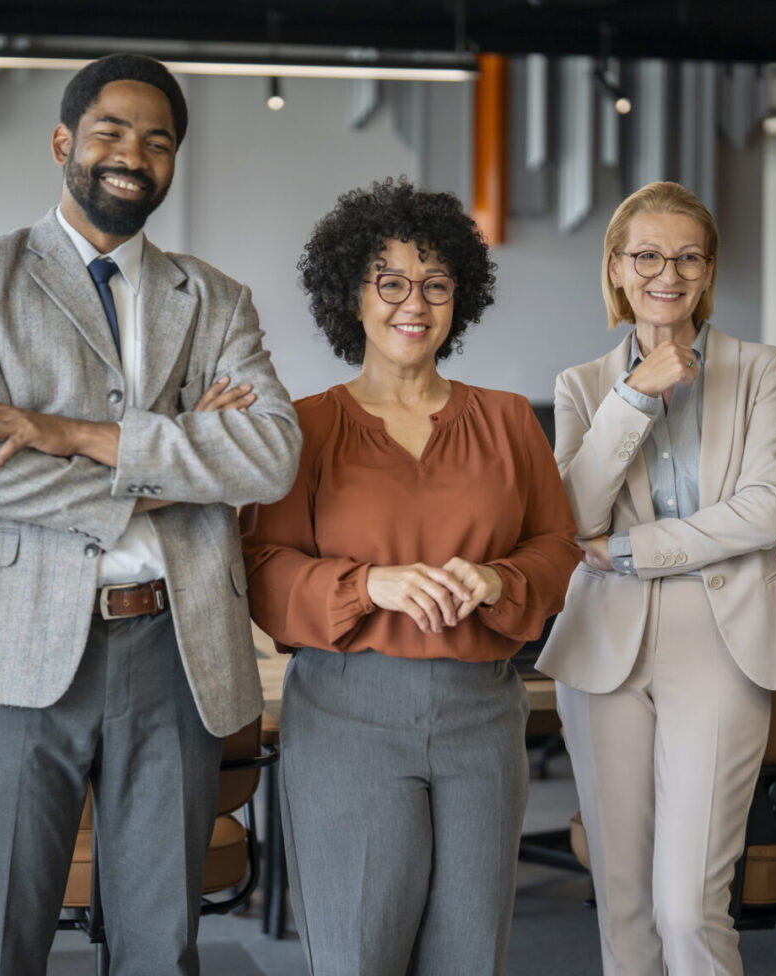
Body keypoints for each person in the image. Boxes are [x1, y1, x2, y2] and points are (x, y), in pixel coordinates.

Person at [0, 53, 301, 976]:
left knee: (162, 944)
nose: (135, 154)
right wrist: (177, 458)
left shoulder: (215, 299)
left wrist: (73, 435)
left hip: (175, 648)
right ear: (64, 144)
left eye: (158, 142)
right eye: (113, 132)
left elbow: (272, 455)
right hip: (14, 646)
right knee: (3, 938)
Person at [241, 178, 581, 976]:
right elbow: (260, 568)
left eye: (435, 283)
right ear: (350, 295)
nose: (414, 303)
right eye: (389, 281)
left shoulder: (506, 421)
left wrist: (500, 582)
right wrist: (371, 586)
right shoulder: (305, 426)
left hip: (484, 716)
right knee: (363, 952)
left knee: (470, 955)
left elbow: (558, 546)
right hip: (347, 713)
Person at [537, 180, 776, 976]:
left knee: (688, 906)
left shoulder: (761, 366)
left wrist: (629, 549)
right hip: (604, 645)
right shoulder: (584, 385)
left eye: (688, 257)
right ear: (618, 267)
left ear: (708, 270)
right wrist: (635, 395)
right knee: (623, 904)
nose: (668, 273)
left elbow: (764, 513)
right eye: (648, 256)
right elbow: (573, 512)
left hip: (721, 638)